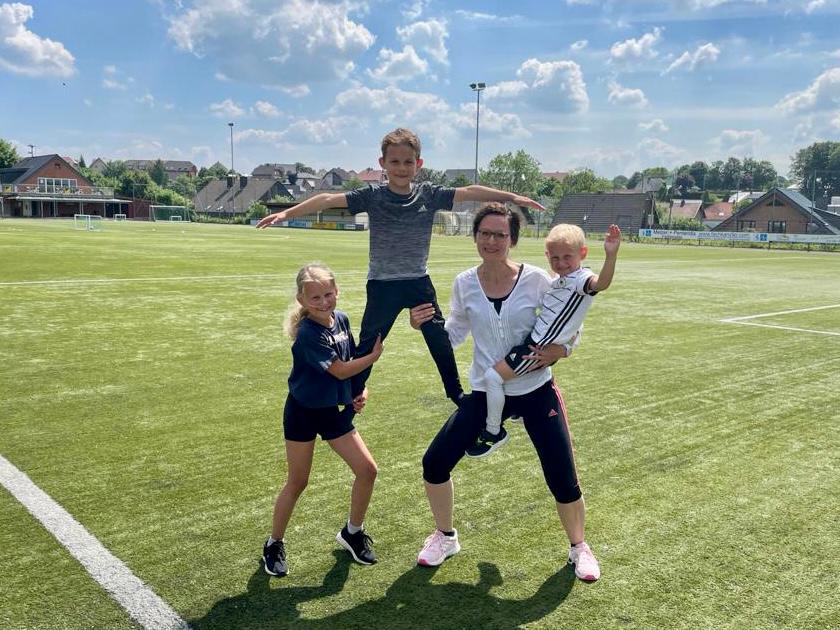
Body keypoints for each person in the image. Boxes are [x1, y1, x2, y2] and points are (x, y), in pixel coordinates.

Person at [256, 128, 545, 413]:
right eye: (394, 162)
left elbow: (470, 191)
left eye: (408, 162)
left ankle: (456, 393)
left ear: (418, 164)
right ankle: (352, 397)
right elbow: (328, 199)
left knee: (438, 338)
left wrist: (512, 198)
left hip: (418, 281)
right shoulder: (372, 196)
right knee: (369, 346)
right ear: (382, 163)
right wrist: (287, 212)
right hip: (382, 285)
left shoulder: (429, 194)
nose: (402, 168)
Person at [411, 204, 601, 582]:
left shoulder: (538, 279)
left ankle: (579, 547)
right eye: (485, 233)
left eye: (500, 234)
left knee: (562, 476)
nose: (492, 241)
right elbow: (454, 333)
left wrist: (561, 351)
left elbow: (569, 323)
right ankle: (445, 537)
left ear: (512, 239)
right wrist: (426, 327)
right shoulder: (465, 283)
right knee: (434, 463)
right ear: (475, 236)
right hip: (487, 389)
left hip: (535, 388)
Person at [262, 263, 384, 577]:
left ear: (337, 291)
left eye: (328, 294)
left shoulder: (341, 319)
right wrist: (373, 357)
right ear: (302, 300)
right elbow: (340, 370)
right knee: (298, 481)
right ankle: (274, 543)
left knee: (367, 470)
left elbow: (349, 362)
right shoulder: (307, 333)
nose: (324, 302)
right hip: (303, 412)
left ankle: (352, 532)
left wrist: (361, 390)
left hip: (332, 411)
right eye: (315, 297)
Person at [466, 223, 621, 458]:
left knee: (492, 377)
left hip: (536, 348)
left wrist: (611, 255)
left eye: (567, 257)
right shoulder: (560, 280)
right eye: (555, 258)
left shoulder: (581, 279)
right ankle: (519, 411)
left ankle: (493, 431)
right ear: (547, 256)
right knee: (504, 375)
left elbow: (601, 284)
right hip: (532, 342)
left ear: (582, 253)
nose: (561, 263)